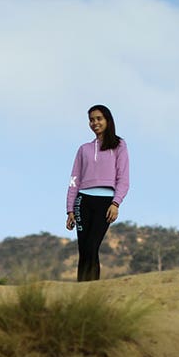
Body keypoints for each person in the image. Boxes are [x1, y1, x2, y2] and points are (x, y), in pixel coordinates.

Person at [66, 104, 129, 282]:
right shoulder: (83, 149)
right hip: (82, 201)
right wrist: (70, 209)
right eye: (92, 120)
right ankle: (83, 288)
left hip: (105, 202)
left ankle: (92, 289)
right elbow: (73, 180)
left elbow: (123, 178)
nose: (95, 123)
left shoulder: (119, 145)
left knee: (92, 246)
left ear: (107, 120)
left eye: (99, 119)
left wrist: (115, 203)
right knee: (83, 248)